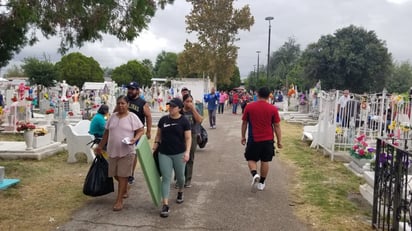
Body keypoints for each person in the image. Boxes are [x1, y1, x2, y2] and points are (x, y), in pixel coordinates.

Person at [95, 95, 144, 211]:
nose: (121, 106)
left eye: (123, 103)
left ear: (127, 105)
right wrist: (100, 146)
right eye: (119, 103)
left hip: (127, 152)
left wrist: (135, 139)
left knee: (123, 176)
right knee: (114, 174)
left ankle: (119, 200)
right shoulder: (112, 117)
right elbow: (106, 133)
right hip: (112, 151)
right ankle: (125, 187)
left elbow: (141, 130)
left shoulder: (132, 117)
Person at [153, 98, 191, 218]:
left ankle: (180, 191)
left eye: (174, 107)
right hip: (164, 153)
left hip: (179, 153)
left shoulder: (184, 121)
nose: (171, 108)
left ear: (179, 108)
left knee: (180, 177)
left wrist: (187, 152)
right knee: (166, 178)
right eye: (170, 106)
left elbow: (188, 138)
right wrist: (154, 147)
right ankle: (165, 204)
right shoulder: (163, 120)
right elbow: (158, 136)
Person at [241, 87, 282, 192]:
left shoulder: (249, 107)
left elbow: (244, 123)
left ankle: (255, 174)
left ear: (257, 94)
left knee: (251, 158)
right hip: (268, 139)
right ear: (269, 96)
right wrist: (279, 141)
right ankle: (262, 183)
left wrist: (243, 136)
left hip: (253, 138)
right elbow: (276, 126)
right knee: (265, 160)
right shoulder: (273, 109)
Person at [126, 81, 152, 185]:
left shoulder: (142, 103)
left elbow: (148, 116)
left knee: (133, 154)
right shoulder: (125, 100)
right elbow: (115, 111)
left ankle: (131, 174)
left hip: (137, 131)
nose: (130, 91)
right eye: (129, 89)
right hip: (125, 130)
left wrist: (149, 131)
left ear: (137, 90)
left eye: (132, 89)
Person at [182, 94, 203, 188]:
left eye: (191, 101)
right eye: (187, 101)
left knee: (190, 157)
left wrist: (193, 109)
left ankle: (188, 179)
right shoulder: (180, 111)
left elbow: (199, 120)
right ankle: (179, 178)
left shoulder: (195, 110)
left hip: (193, 135)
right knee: (180, 157)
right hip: (181, 136)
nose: (189, 103)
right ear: (183, 102)